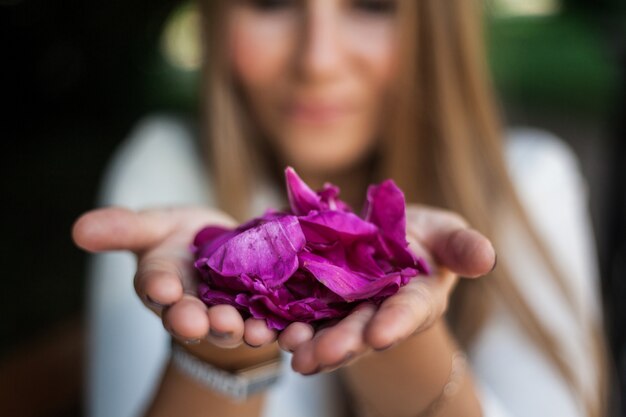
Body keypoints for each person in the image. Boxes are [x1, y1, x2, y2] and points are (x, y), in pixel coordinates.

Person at [72, 1, 608, 416]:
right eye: (271, 2)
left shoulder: (527, 182)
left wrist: (406, 355)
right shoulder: (164, 166)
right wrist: (219, 358)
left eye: (371, 4)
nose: (318, 60)